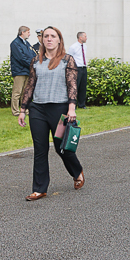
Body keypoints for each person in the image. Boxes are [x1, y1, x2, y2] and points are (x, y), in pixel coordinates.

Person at [18, 26, 84, 201]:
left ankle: (77, 171)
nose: (49, 39)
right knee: (40, 149)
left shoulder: (67, 60)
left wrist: (71, 108)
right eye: (46, 36)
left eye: (52, 36)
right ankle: (39, 189)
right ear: (42, 40)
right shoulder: (35, 61)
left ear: (59, 40)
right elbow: (30, 86)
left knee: (61, 148)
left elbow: (72, 86)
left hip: (59, 109)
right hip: (38, 109)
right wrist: (23, 110)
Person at [10, 26, 33, 117]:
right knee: (17, 92)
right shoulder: (15, 43)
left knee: (25, 92)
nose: (29, 34)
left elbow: (32, 54)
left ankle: (25, 109)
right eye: (28, 32)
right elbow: (20, 58)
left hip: (27, 70)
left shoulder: (27, 43)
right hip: (19, 71)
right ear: (22, 32)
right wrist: (31, 64)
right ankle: (15, 111)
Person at [67, 32, 89, 108]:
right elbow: (69, 58)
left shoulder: (85, 47)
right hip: (77, 68)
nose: (86, 38)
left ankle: (82, 104)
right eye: (85, 36)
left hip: (83, 67)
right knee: (75, 86)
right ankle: (73, 104)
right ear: (80, 38)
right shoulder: (73, 47)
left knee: (83, 86)